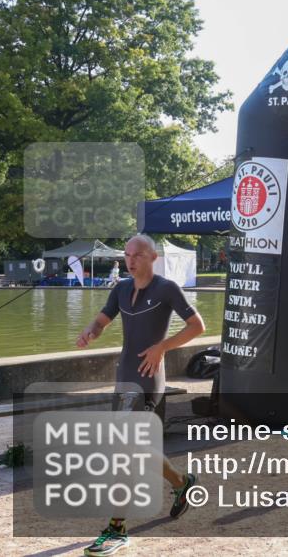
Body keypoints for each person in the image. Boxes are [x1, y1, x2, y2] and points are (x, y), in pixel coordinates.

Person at [76, 235, 206, 556]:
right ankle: (181, 482)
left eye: (136, 255)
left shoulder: (166, 288)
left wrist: (163, 347)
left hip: (148, 380)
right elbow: (103, 319)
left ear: (152, 257)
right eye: (127, 255)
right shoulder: (120, 288)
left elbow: (197, 326)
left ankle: (116, 529)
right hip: (124, 380)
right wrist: (91, 331)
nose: (130, 260)